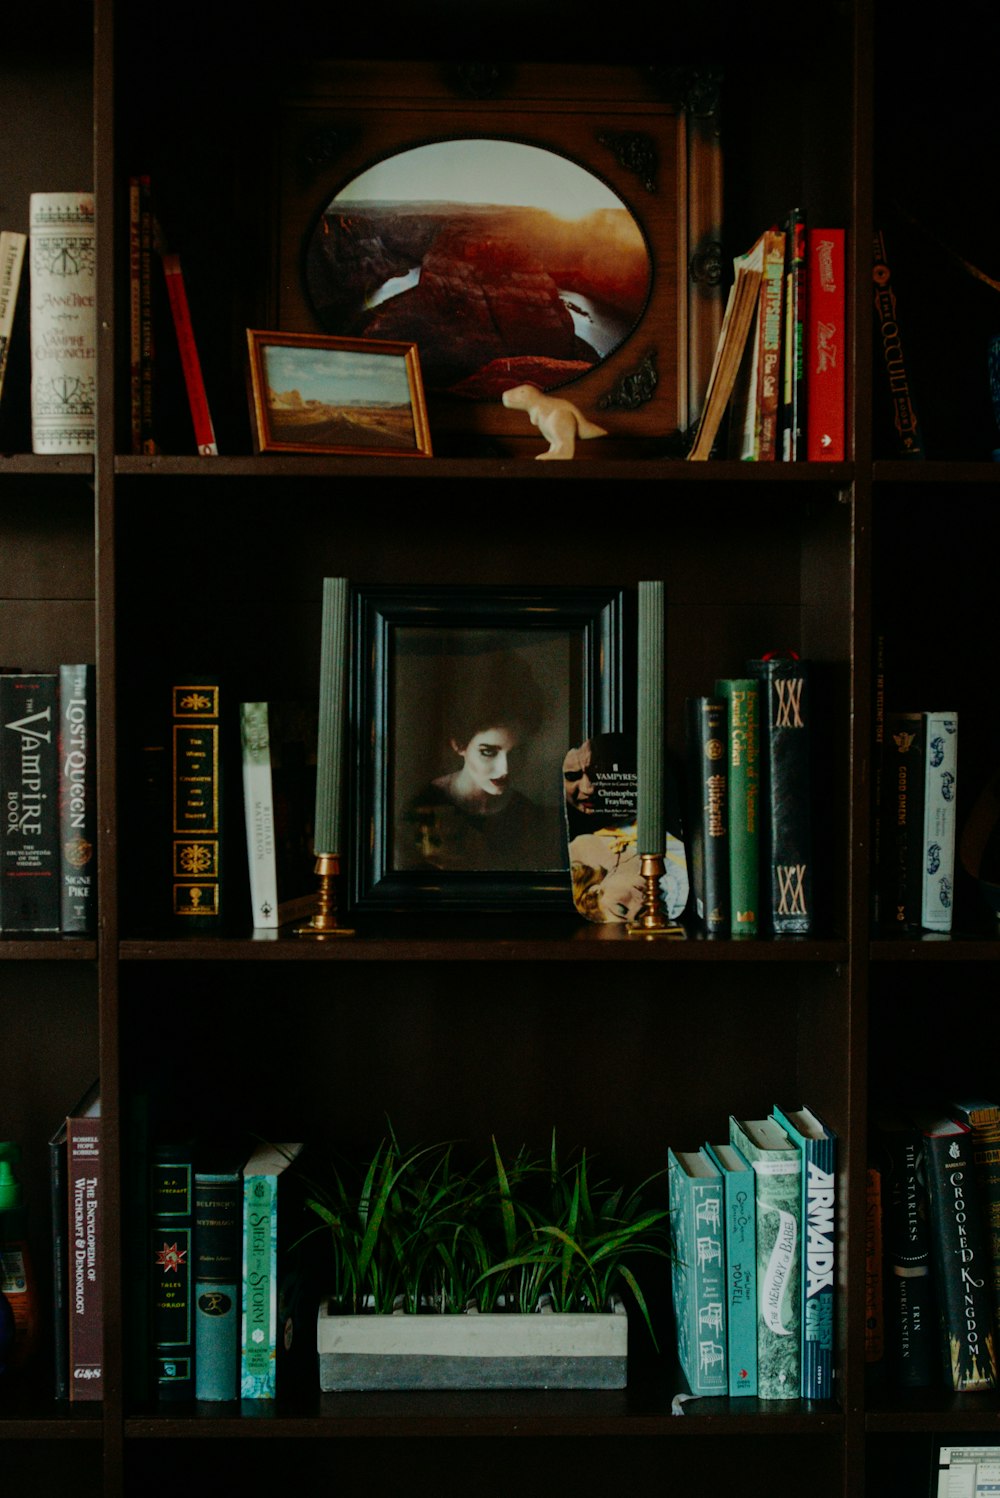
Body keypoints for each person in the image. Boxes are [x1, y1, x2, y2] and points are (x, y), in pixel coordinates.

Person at [398, 670, 560, 873]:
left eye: (516, 751)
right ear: (459, 745)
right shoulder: (424, 808)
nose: (505, 769)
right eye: (488, 752)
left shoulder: (527, 815)